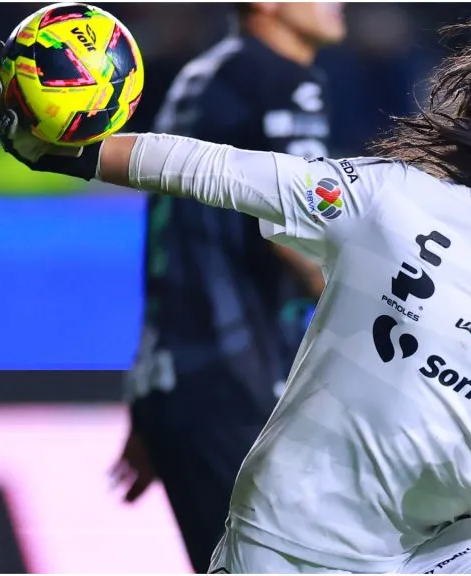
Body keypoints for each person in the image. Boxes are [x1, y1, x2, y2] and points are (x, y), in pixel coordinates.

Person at [0, 19, 471, 574]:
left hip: (440, 546)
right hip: (290, 540)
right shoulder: (392, 203)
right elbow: (215, 171)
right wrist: (64, 156)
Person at [107, 3, 346, 572]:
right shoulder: (280, 80)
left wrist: (151, 396)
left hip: (181, 379)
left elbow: (171, 238)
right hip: (239, 379)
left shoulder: (202, 76)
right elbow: (299, 231)